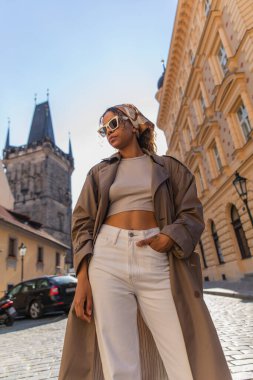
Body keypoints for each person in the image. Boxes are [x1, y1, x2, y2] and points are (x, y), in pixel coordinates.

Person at [58, 104, 232, 380]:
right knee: (119, 361)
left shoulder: (170, 168)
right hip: (107, 258)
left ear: (133, 122)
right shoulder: (98, 173)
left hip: (156, 256)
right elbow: (81, 223)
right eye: (104, 129)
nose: (108, 132)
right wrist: (83, 279)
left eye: (113, 123)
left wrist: (170, 236)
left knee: (180, 348)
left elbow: (191, 212)